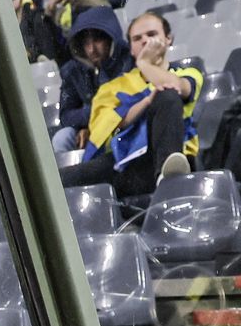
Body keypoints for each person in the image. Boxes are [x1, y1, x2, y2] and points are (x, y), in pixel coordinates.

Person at [61, 12, 202, 197]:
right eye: (137, 38)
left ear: (168, 39)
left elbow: (179, 88)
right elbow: (106, 126)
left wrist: (144, 65)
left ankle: (167, 179)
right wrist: (146, 101)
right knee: (58, 180)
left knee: (166, 95)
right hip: (125, 163)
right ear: (131, 48)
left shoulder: (188, 73)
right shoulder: (110, 88)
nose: (145, 41)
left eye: (152, 35)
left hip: (176, 157)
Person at [54, 6, 134, 154]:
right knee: (62, 138)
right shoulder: (73, 70)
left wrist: (92, 122)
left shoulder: (128, 59)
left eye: (97, 40)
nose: (91, 49)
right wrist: (85, 126)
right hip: (91, 131)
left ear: (111, 37)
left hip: (124, 125)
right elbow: (65, 115)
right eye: (86, 43)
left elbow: (123, 103)